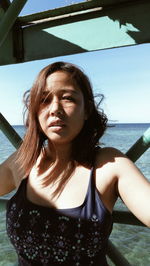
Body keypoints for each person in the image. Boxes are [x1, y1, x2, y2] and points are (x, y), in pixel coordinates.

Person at [0, 61, 150, 266]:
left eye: (68, 98)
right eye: (44, 100)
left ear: (87, 110)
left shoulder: (109, 165)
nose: (55, 109)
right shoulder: (22, 161)